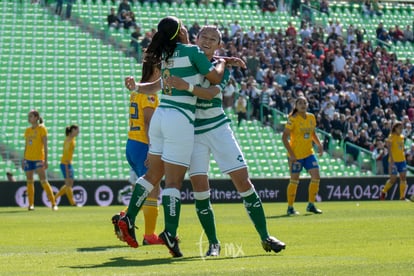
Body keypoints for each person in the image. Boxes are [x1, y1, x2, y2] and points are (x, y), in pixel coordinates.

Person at [117, 16, 227, 257]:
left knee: (152, 175)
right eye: (185, 28)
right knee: (173, 183)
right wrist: (223, 64)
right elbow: (216, 78)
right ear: (180, 33)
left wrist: (136, 86)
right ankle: (169, 233)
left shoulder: (167, 55)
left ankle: (128, 217)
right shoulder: (192, 51)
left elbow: (157, 85)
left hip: (160, 117)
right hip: (179, 119)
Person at [181, 25, 285, 256]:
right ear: (196, 39)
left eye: (213, 39)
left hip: (218, 128)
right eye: (204, 37)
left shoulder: (222, 68)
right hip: (193, 133)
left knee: (243, 182)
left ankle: (265, 237)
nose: (207, 41)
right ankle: (213, 244)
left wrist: (223, 61)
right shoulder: (188, 61)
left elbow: (208, 90)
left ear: (219, 45)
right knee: (200, 190)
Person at [112, 60, 164, 246]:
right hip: (143, 144)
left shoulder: (136, 93)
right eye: (161, 71)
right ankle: (149, 235)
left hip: (132, 143)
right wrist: (152, 149)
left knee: (145, 188)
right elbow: (149, 121)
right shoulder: (149, 95)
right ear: (156, 70)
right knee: (153, 189)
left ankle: (124, 217)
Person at [282, 96, 323, 216]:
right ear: (296, 106)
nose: (303, 105)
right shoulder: (292, 119)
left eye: (304, 102)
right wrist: (291, 154)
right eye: (300, 103)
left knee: (316, 176)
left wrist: (319, 144)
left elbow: (312, 133)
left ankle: (311, 204)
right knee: (294, 180)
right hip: (296, 155)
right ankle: (290, 207)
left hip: (309, 153)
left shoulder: (311, 117)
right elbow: (284, 137)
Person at [23, 110, 57, 211]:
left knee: (43, 181)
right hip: (29, 159)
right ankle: (31, 204)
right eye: (29, 116)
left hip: (38, 159)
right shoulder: (27, 130)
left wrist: (45, 160)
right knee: (29, 181)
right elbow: (26, 146)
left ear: (37, 117)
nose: (29, 118)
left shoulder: (42, 129)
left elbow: (45, 146)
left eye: (31, 116)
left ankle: (53, 203)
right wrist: (24, 159)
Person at [380, 121, 407, 200]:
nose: (401, 130)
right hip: (394, 161)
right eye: (399, 128)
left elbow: (401, 148)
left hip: (402, 160)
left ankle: (402, 197)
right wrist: (391, 159)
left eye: (402, 128)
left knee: (403, 177)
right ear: (395, 128)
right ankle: (384, 191)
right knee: (393, 179)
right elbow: (389, 148)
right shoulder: (391, 136)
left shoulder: (402, 137)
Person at [55, 125, 80, 206]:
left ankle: (54, 197)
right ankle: (73, 203)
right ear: (73, 130)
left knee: (69, 184)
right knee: (68, 184)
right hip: (65, 164)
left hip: (68, 164)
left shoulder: (72, 140)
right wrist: (66, 165)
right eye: (77, 130)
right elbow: (65, 154)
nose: (78, 132)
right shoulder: (68, 141)